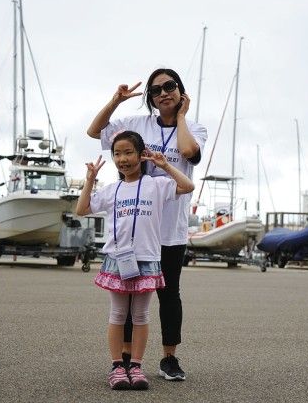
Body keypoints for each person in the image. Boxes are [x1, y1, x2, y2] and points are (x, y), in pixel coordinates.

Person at [87, 68, 207, 381]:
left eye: (170, 86)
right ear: (150, 99)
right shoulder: (136, 124)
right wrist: (116, 101)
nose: (163, 93)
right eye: (156, 90)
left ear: (181, 91)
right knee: (128, 294)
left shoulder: (194, 128)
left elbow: (189, 152)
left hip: (171, 229)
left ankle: (169, 358)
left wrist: (181, 117)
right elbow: (93, 131)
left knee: (170, 294)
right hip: (135, 230)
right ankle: (127, 359)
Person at [76, 130, 194, 390]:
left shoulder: (156, 184)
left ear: (141, 155)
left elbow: (187, 186)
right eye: (117, 153)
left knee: (141, 315)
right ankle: (118, 366)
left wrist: (166, 166)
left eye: (128, 152)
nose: (122, 159)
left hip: (147, 259)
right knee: (118, 314)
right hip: (118, 259)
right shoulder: (112, 189)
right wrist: (90, 180)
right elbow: (82, 209)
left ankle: (136, 366)